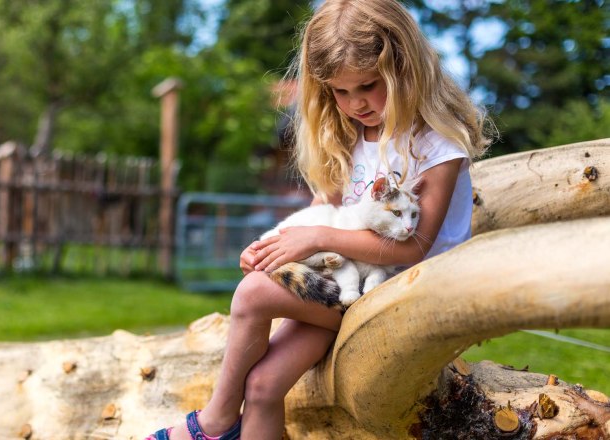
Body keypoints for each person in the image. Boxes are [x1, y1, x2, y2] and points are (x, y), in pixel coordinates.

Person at [146, 0, 492, 438]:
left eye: (367, 85)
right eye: (340, 92)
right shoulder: (349, 135)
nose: (355, 103)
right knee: (264, 384)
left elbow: (413, 246)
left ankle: (215, 422)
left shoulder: (434, 145)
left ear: (406, 68)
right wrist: (275, 247)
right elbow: (324, 212)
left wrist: (315, 238)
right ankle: (229, 421)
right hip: (351, 284)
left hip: (407, 295)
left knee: (253, 294)